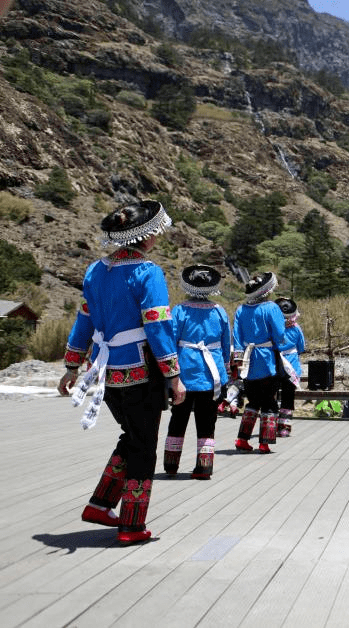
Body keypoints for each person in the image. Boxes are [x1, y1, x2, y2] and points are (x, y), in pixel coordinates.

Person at [57, 199, 185, 545]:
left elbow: (83, 319)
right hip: (141, 369)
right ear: (147, 236)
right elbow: (158, 326)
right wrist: (173, 375)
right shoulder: (147, 273)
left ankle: (100, 504)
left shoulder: (95, 271)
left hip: (104, 371)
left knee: (132, 437)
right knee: (143, 447)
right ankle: (131, 524)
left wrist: (72, 365)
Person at [162, 265, 231, 480]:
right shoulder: (219, 311)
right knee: (207, 419)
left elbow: (170, 342)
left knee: (178, 418)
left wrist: (168, 373)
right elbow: (225, 344)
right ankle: (204, 467)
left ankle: (171, 464)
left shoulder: (180, 310)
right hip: (212, 375)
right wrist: (226, 368)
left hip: (184, 373)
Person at [232, 272, 286, 454]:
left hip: (248, 360)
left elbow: (237, 337)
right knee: (269, 401)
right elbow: (279, 335)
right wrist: (280, 344)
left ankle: (242, 439)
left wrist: (239, 360)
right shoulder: (271, 308)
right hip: (267, 358)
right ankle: (265, 442)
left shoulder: (241, 309)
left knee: (252, 400)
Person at [275, 297, 305, 437]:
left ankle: (270, 424)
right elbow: (301, 347)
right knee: (288, 397)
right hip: (291, 365)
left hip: (274, 364)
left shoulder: (273, 329)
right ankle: (284, 427)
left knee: (272, 395)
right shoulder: (296, 329)